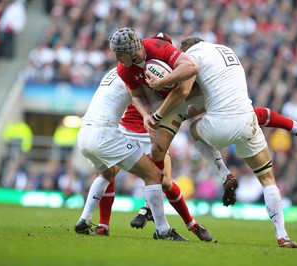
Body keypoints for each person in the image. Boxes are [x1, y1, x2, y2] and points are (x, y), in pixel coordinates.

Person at [144, 36, 297, 248]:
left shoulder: (192, 57)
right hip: (248, 120)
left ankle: (224, 172)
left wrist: (160, 102)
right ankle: (282, 235)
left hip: (219, 126)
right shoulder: (226, 51)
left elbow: (184, 91)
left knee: (194, 130)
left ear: (186, 49)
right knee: (267, 180)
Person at [88, 33, 213, 242]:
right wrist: (147, 115)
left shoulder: (165, 59)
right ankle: (101, 223)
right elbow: (136, 96)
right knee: (110, 173)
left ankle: (186, 223)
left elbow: (184, 87)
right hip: (133, 125)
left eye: (120, 56)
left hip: (157, 124)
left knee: (164, 181)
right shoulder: (126, 69)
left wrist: (162, 91)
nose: (118, 61)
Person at [73, 66, 188, 241]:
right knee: (154, 174)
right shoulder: (134, 73)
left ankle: (86, 219)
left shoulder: (112, 72)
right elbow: (146, 97)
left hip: (84, 133)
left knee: (107, 174)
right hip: (107, 133)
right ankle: (163, 230)